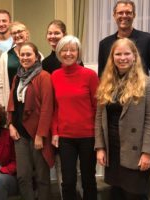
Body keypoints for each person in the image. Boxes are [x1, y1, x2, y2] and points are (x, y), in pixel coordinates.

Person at [95, 38, 150, 199]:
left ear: (134, 56)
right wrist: (100, 147)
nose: (122, 58)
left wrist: (147, 152)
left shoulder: (148, 84)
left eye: (126, 53)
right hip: (113, 147)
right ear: (112, 57)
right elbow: (99, 117)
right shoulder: (107, 83)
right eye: (118, 54)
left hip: (136, 150)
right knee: (116, 193)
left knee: (135, 194)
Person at [51, 35, 99, 200]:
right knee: (68, 181)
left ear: (78, 53)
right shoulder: (55, 76)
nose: (68, 53)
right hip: (66, 137)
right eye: (64, 50)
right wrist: (55, 131)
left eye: (72, 50)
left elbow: (97, 106)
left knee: (88, 179)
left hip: (88, 135)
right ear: (59, 52)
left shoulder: (90, 75)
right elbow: (55, 108)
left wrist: (98, 135)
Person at [7, 42, 54, 200]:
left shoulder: (44, 76)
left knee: (41, 176)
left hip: (36, 132)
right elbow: (11, 102)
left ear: (37, 57)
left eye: (29, 54)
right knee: (23, 176)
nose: (25, 57)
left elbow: (47, 107)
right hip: (20, 133)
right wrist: (10, 125)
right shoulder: (17, 76)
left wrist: (41, 134)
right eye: (22, 55)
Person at [97, 0, 150, 78]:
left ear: (134, 15)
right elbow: (102, 75)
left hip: (141, 89)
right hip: (113, 89)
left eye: (128, 12)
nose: (124, 16)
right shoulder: (104, 44)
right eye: (120, 13)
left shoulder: (147, 40)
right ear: (114, 15)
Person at [0, 22, 43, 109]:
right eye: (14, 33)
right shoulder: (5, 56)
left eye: (19, 31)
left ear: (26, 33)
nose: (17, 35)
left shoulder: (38, 55)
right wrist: (2, 105)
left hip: (32, 100)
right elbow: (0, 83)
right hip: (12, 100)